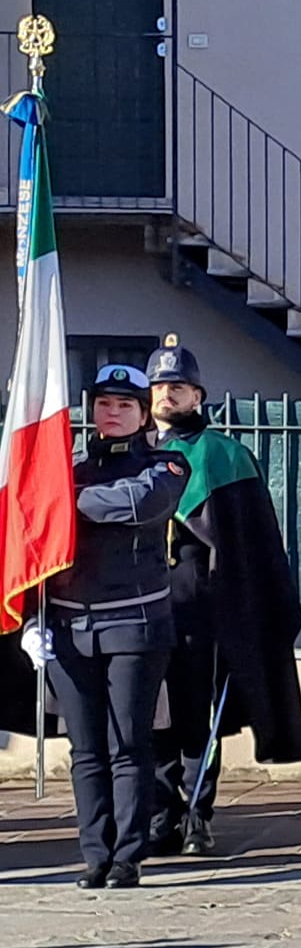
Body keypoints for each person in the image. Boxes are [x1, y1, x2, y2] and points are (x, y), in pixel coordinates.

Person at [143, 333, 301, 857]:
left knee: (197, 714)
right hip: (144, 598)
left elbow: (250, 541)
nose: (167, 394)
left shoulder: (224, 455)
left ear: (198, 396)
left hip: (201, 599)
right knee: (152, 713)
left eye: (179, 385)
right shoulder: (133, 451)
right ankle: (158, 814)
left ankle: (197, 813)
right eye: (159, 385)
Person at [21, 366, 187, 888]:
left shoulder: (166, 465)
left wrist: (59, 503)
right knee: (86, 748)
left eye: (124, 406)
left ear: (142, 415)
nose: (112, 414)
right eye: (104, 405)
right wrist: (32, 618)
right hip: (70, 625)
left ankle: (128, 855)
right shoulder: (65, 464)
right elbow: (33, 538)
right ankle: (95, 854)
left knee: (128, 745)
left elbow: (137, 505)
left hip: (135, 623)